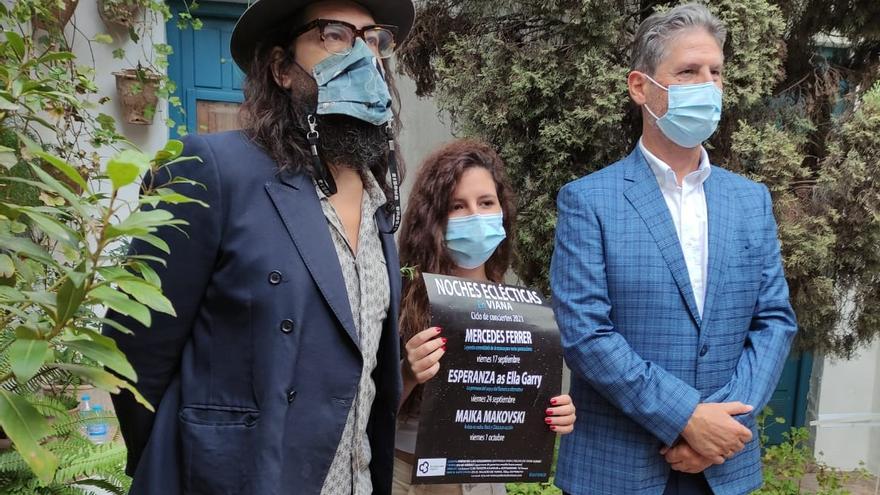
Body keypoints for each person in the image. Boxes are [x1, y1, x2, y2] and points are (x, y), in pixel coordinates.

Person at [103, 1, 415, 493]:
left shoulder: (382, 198)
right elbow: (133, 346)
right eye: (334, 35)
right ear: (281, 68)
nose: (362, 54)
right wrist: (186, 459)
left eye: (373, 38)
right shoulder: (212, 167)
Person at [550, 4, 797, 495]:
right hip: (619, 470)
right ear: (640, 87)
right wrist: (685, 417)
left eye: (715, 72)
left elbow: (774, 321)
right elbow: (587, 336)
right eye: (687, 71)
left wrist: (720, 430)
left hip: (724, 467)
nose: (707, 85)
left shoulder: (750, 200)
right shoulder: (589, 200)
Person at [394, 139, 577, 495]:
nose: (476, 216)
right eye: (457, 206)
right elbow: (359, 409)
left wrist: (553, 412)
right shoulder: (401, 292)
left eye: (486, 203)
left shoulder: (519, 307)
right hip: (405, 473)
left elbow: (514, 405)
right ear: (434, 217)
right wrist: (407, 373)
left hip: (482, 480)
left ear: (502, 211)